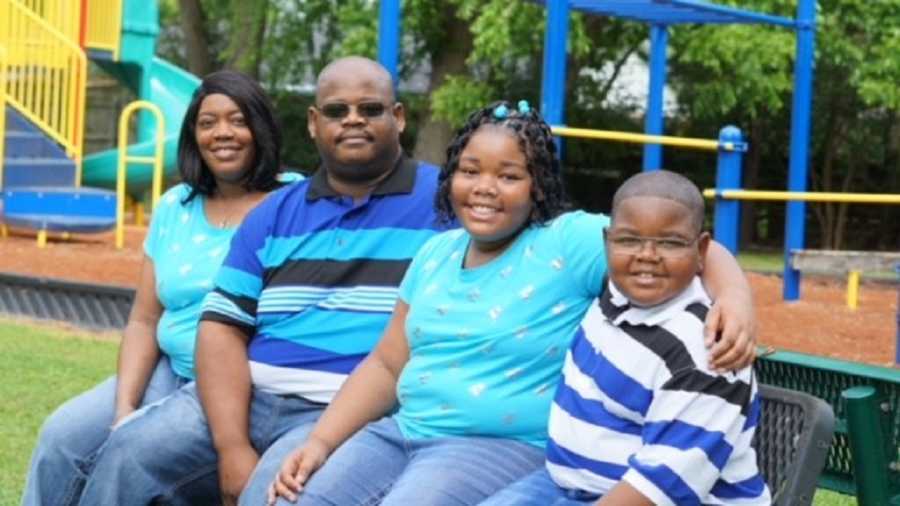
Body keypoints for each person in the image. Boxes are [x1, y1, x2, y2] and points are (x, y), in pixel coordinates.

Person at [266, 102, 758, 506]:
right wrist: (320, 442)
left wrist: (734, 299)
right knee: (298, 498)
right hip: (403, 431)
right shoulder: (436, 252)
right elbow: (388, 362)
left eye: (508, 175)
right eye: (470, 171)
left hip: (499, 448)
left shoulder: (566, 243)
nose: (484, 188)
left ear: (537, 184)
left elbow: (670, 239)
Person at [74, 56, 449, 506]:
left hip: (342, 412)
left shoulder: (446, 205)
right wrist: (231, 446)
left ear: (399, 117)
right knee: (128, 453)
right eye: (336, 110)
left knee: (270, 494)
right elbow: (220, 327)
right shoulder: (276, 212)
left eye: (370, 109)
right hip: (246, 396)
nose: (353, 120)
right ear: (314, 123)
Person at [22, 69, 292, 506]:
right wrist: (124, 407)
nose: (222, 133)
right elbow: (145, 320)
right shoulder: (175, 205)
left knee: (132, 456)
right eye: (207, 123)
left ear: (260, 128)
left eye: (238, 120)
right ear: (192, 136)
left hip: (236, 381)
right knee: (62, 435)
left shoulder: (291, 203)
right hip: (168, 367)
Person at [480, 170, 770, 505]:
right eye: (629, 240)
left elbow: (661, 486)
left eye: (670, 242)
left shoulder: (707, 350)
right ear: (607, 242)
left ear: (701, 250)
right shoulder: (613, 298)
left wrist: (735, 294)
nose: (647, 255)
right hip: (567, 485)